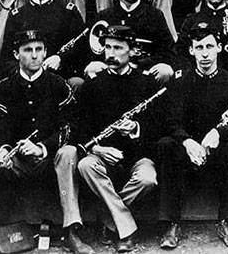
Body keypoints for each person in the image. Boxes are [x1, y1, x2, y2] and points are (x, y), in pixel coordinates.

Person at [0, 30, 91, 254]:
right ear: (17, 54)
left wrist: (42, 147)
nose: (35, 55)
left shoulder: (59, 85)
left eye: (39, 50)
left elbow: (70, 128)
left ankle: (71, 231)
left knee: (69, 153)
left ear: (46, 52)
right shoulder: (5, 88)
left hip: (48, 161)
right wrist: (3, 150)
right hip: (15, 162)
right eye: (28, 50)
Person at [59, 25, 163, 253]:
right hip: (103, 158)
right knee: (85, 165)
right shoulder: (92, 86)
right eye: (107, 47)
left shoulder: (147, 84)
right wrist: (97, 149)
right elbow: (79, 129)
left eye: (118, 48)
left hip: (137, 157)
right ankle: (126, 229)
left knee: (148, 178)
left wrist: (136, 128)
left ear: (132, 51)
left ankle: (109, 219)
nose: (111, 54)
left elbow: (158, 127)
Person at [155, 23, 228, 249]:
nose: (205, 53)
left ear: (219, 48)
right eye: (199, 48)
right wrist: (186, 140)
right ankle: (171, 223)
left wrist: (220, 132)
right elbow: (170, 121)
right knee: (166, 144)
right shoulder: (179, 81)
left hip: (219, 155)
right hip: (187, 153)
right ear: (191, 51)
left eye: (210, 46)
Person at [83, 0, 176, 84]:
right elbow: (93, 52)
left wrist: (142, 63)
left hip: (143, 71)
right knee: (92, 68)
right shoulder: (105, 16)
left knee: (165, 71)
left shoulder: (154, 15)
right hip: (113, 71)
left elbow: (168, 51)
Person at [0, 0, 84, 83]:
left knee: (77, 83)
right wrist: (25, 71)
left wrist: (61, 59)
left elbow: (81, 50)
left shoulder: (68, 12)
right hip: (28, 80)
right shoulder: (17, 16)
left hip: (60, 78)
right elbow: (7, 58)